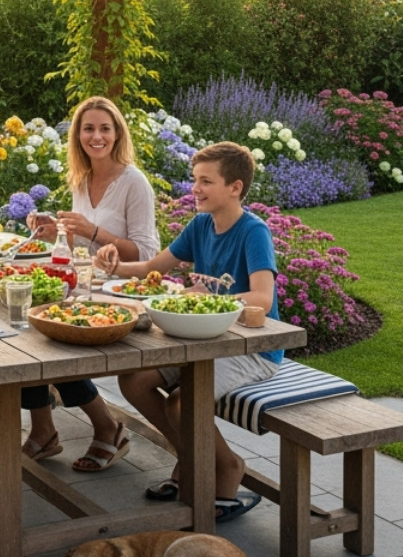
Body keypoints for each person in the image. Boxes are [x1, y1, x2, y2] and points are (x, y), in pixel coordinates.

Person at [95, 141, 278, 522]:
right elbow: (151, 269)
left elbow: (262, 296)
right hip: (206, 342)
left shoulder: (253, 232)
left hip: (251, 350)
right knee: (134, 378)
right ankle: (192, 459)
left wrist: (209, 297)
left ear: (235, 187)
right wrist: (113, 266)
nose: (194, 188)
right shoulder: (200, 225)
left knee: (182, 401)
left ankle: (226, 471)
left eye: (205, 181)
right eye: (194, 179)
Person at [19, 96, 158, 473]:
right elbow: (83, 245)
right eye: (88, 128)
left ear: (117, 134)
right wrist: (55, 233)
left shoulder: (134, 183)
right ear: (78, 135)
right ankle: (44, 430)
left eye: (104, 128)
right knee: (25, 328)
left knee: (55, 339)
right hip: (90, 286)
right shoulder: (82, 178)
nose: (96, 136)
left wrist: (93, 230)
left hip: (126, 294)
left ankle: (108, 426)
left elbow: (146, 254)